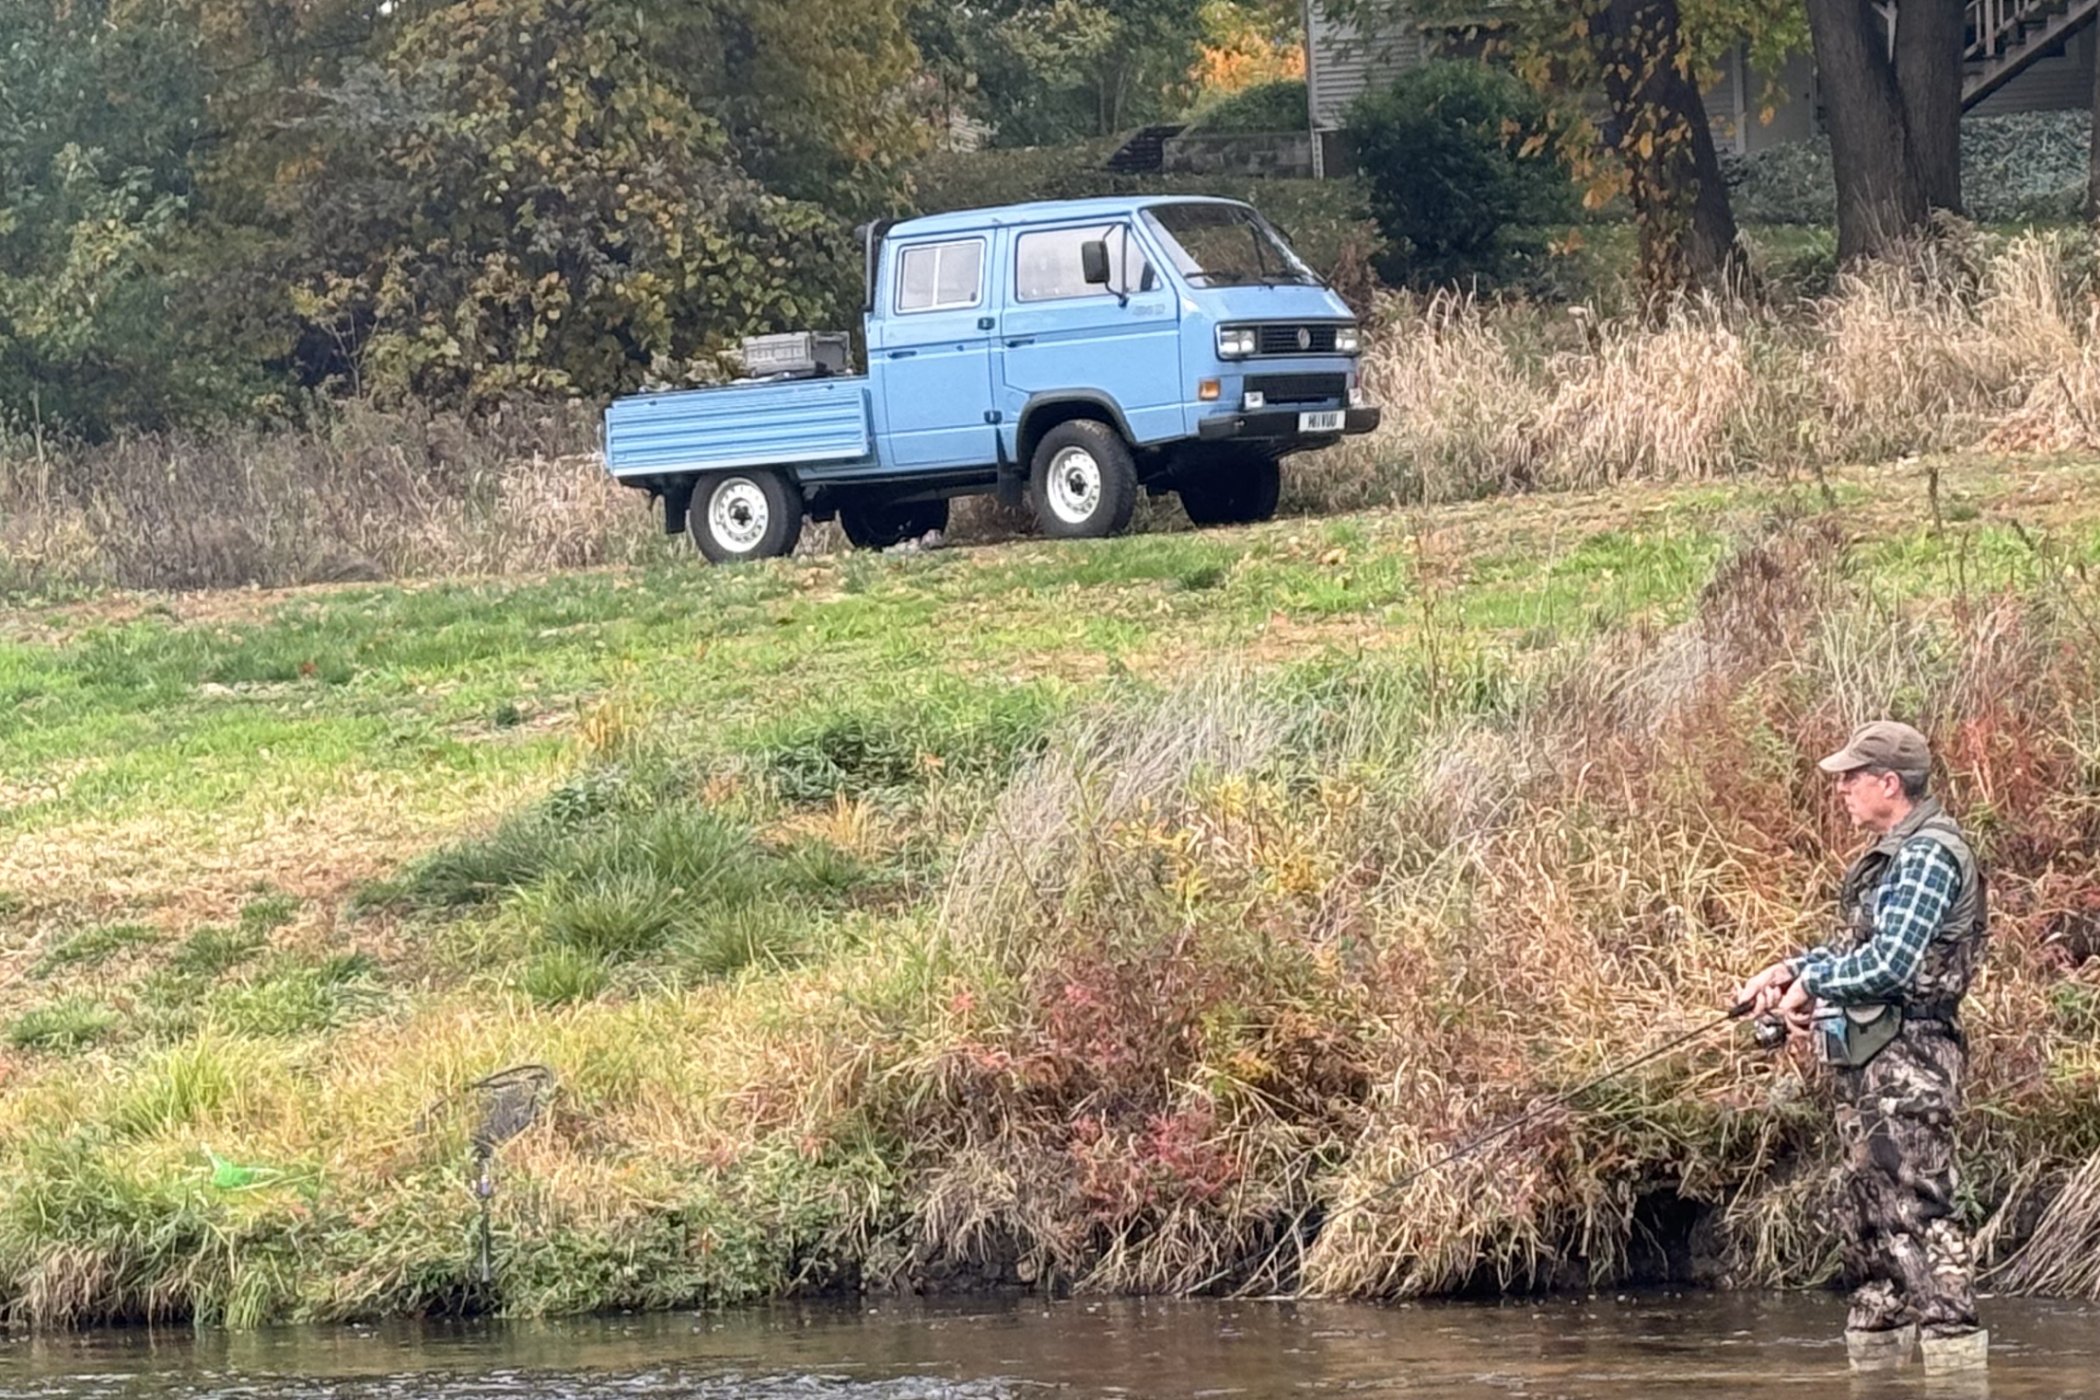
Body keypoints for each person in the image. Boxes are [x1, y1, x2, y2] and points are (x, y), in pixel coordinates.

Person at [1734, 720, 1990, 1373]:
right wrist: (1790, 970)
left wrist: (1814, 983)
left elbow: (1893, 965)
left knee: (1919, 1201)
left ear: (1889, 783)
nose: (1842, 788)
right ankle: (1877, 1365)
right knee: (1868, 1208)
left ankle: (1955, 1365)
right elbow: (1858, 952)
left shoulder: (1929, 854)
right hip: (1869, 1054)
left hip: (1914, 1054)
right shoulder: (1892, 854)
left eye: (1852, 777)